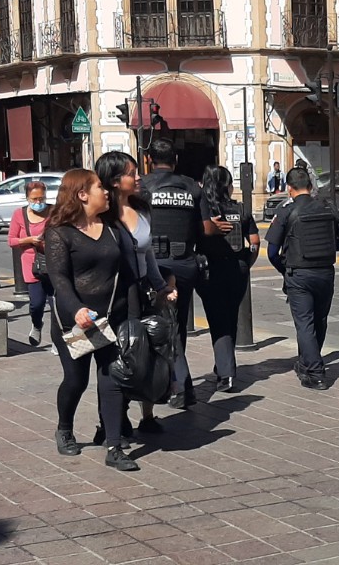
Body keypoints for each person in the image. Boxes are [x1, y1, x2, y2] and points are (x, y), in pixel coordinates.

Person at [44, 169, 140, 471]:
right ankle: (64, 427)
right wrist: (76, 309)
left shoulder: (112, 228)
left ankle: (113, 446)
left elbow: (129, 274)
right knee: (76, 380)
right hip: (76, 321)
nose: (106, 192)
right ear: (82, 194)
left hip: (112, 317)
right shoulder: (59, 231)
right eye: (100, 187)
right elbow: (59, 279)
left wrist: (135, 317)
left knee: (111, 378)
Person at [95, 151, 178, 445]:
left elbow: (149, 255)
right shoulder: (100, 215)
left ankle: (148, 414)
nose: (139, 176)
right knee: (117, 357)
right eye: (132, 172)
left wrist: (161, 287)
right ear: (116, 181)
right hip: (114, 296)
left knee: (149, 351)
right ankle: (112, 421)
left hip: (142, 291)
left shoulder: (142, 209)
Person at [140, 138, 223, 410]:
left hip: (154, 267)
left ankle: (180, 387)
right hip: (186, 265)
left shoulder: (143, 186)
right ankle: (174, 383)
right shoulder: (191, 186)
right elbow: (206, 229)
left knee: (162, 328)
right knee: (178, 326)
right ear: (175, 160)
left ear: (149, 160)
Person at [266, 167, 339, 390]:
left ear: (289, 188)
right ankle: (307, 364)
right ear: (311, 186)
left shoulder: (286, 211)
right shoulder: (327, 206)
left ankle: (315, 373)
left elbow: (272, 252)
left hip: (299, 274)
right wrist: (325, 247)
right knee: (319, 320)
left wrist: (283, 269)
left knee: (304, 324)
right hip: (325, 272)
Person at [197, 166, 260, 393]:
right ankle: (223, 364)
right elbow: (254, 241)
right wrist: (246, 263)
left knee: (218, 322)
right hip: (237, 269)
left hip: (211, 271)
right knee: (230, 318)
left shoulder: (204, 211)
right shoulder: (239, 209)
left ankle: (226, 373)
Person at [8, 181, 53, 347]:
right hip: (32, 264)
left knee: (57, 305)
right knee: (37, 303)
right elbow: (11, 240)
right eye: (34, 199)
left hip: (54, 263)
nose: (38, 202)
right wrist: (28, 240)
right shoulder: (19, 214)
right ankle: (37, 324)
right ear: (27, 198)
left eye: (41, 198)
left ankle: (58, 339)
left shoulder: (54, 211)